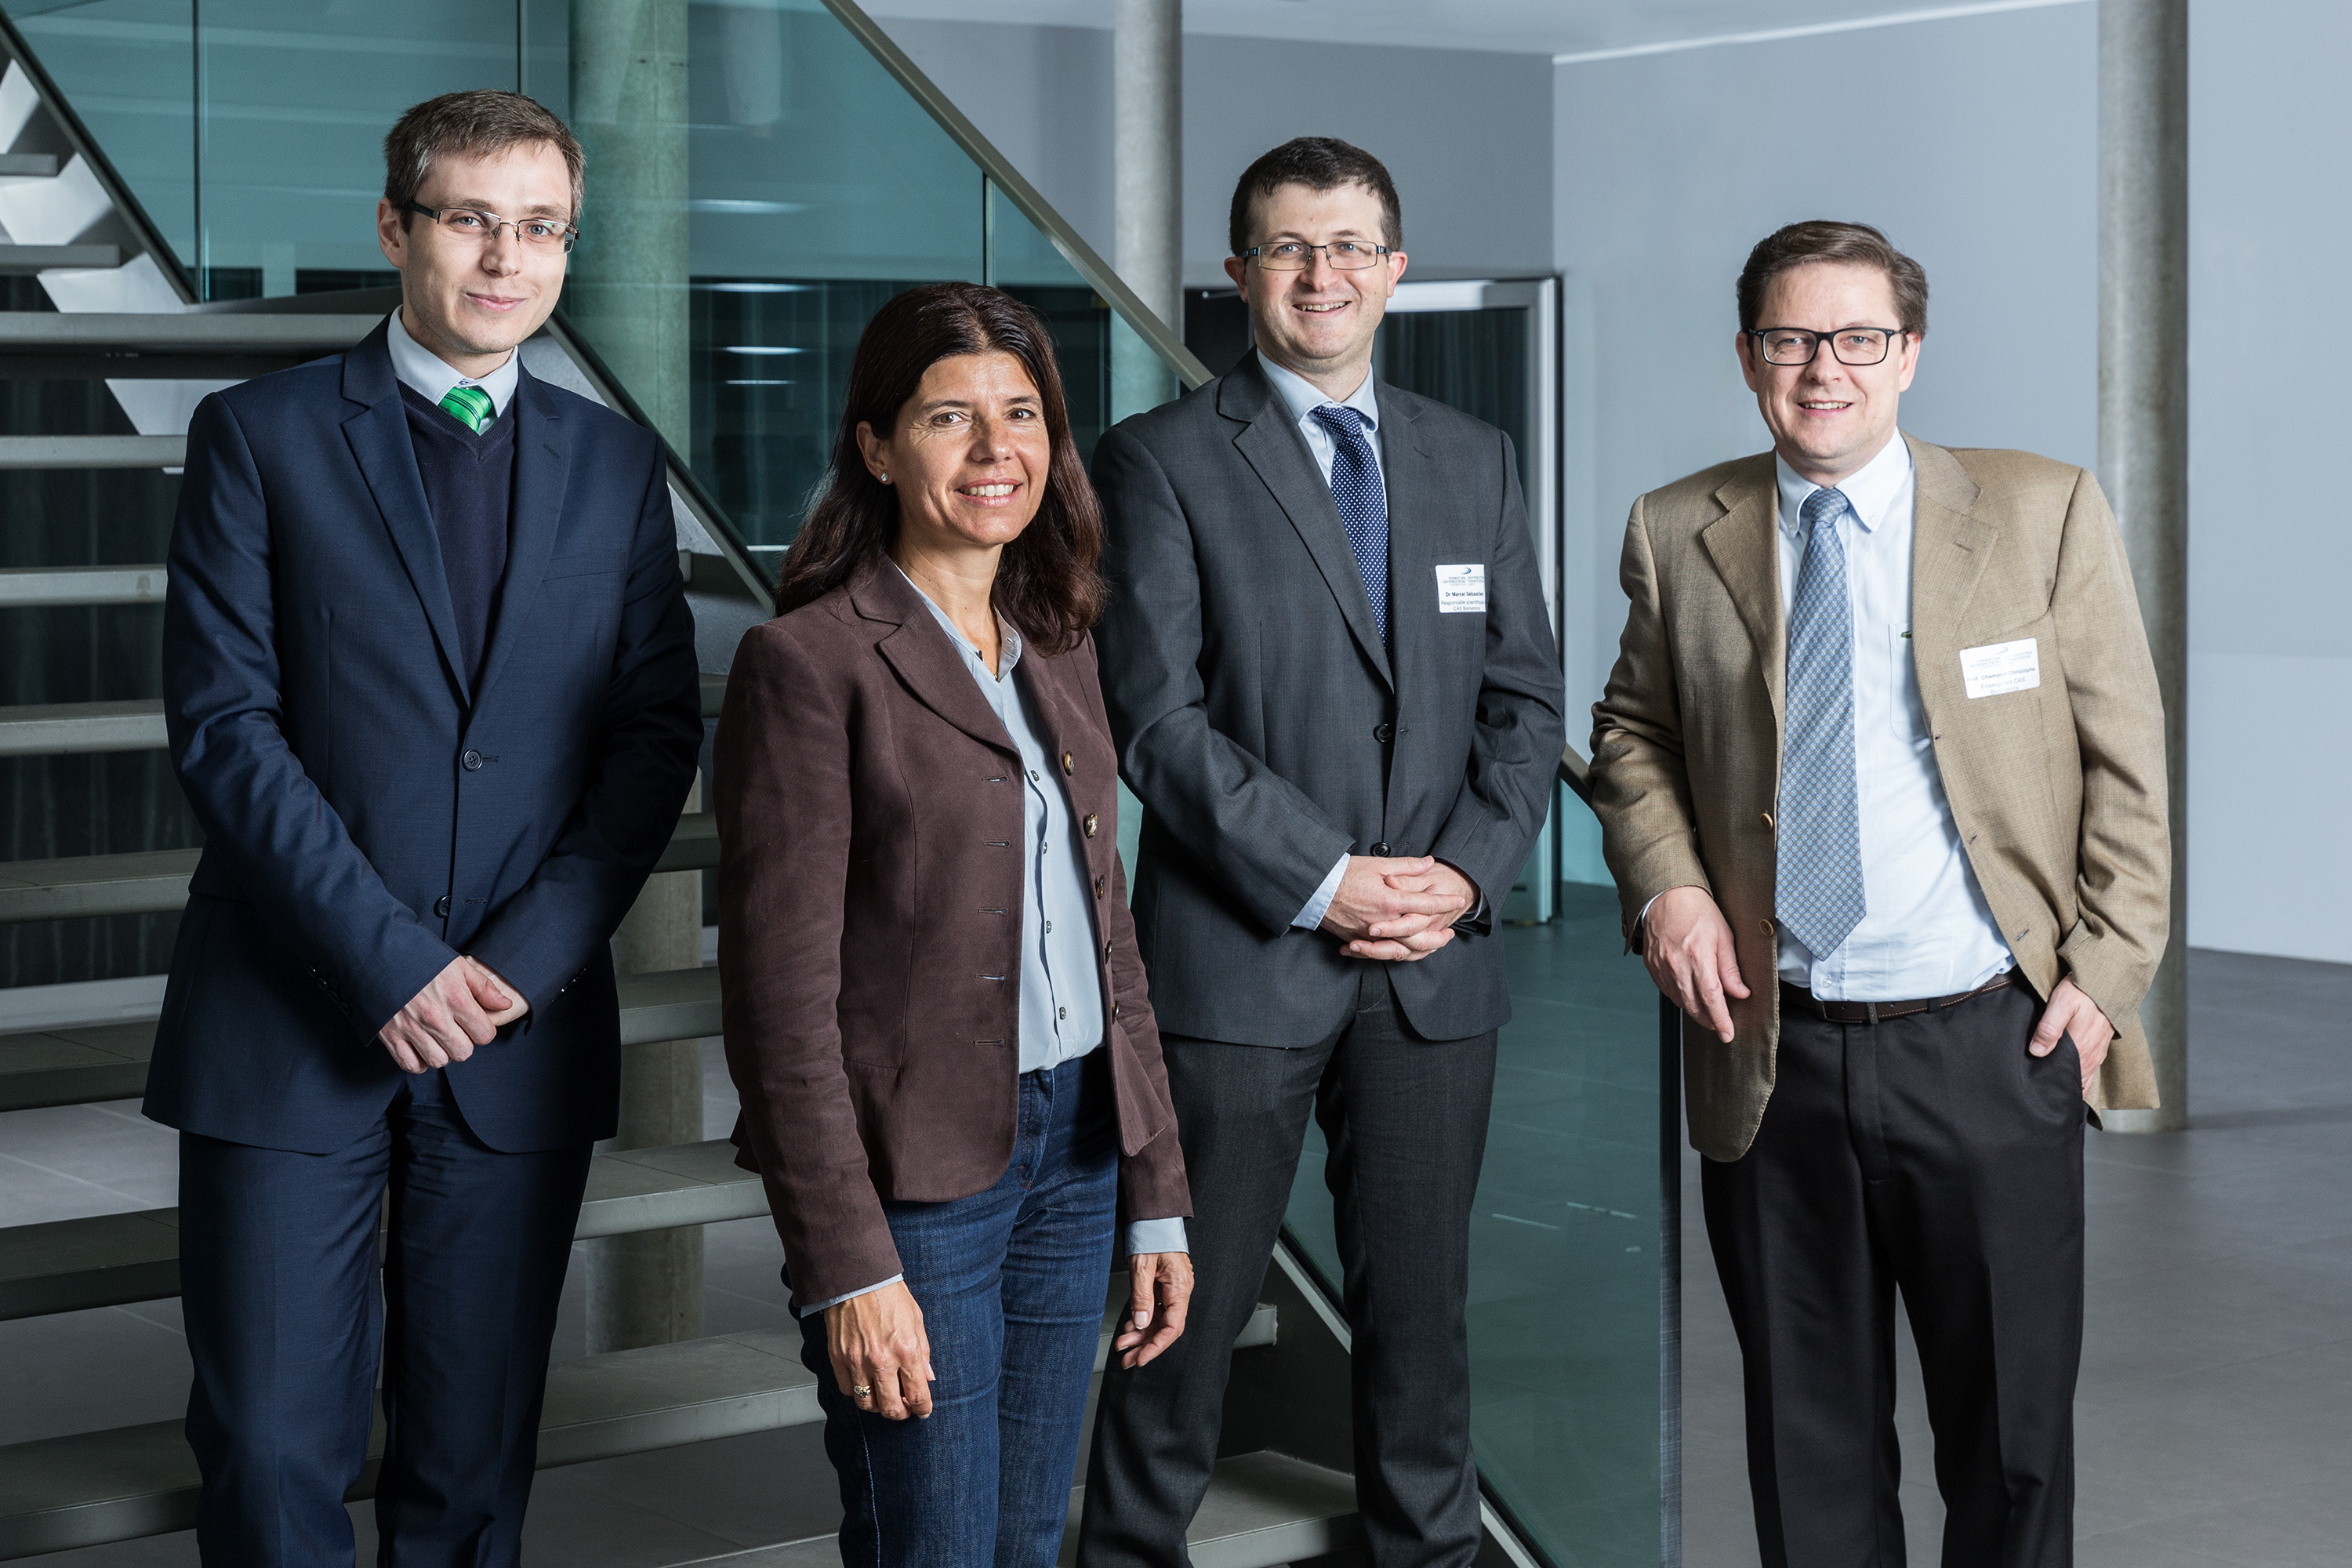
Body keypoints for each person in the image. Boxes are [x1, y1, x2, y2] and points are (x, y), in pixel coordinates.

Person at [147, 89, 702, 1564]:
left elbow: (654, 737)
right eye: (471, 219)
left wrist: (520, 960)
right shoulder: (258, 436)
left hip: (517, 1025)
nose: (507, 258)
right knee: (272, 1451)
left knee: (471, 1467)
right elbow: (225, 729)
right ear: (396, 227)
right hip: (289, 1016)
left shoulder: (614, 464)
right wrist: (390, 962)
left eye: (542, 228)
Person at [1588, 220, 2169, 1566]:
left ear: (1909, 354)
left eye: (1858, 338)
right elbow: (1633, 735)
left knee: (2012, 1447)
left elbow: (2128, 765)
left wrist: (2102, 978)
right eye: (1792, 339)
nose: (1824, 370)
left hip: (1991, 1042)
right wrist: (1668, 887)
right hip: (1771, 1050)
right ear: (1748, 358)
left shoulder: (2040, 511)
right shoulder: (1678, 528)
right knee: (1811, 1460)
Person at [1078, 138, 1566, 1568]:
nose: (1322, 274)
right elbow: (1154, 720)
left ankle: (1430, 1555)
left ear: (1395, 270)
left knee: (1422, 1315)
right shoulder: (1159, 460)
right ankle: (1132, 1552)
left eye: (1350, 246)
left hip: (1432, 968)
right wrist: (1326, 880)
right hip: (1240, 966)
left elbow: (1526, 700)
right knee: (1185, 1308)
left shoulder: (1473, 457)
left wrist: (1462, 877)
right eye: (1290, 247)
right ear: (1240, 273)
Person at [715, 281, 1192, 1568]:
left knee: (1026, 1543)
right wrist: (847, 1267)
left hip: (1077, 1149)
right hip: (914, 1181)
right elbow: (778, 1008)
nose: (997, 450)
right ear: (876, 446)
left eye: (1022, 413)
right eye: (949, 417)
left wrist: (1156, 1189)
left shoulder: (1059, 640)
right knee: (932, 1547)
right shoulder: (809, 665)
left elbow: (1108, 932)